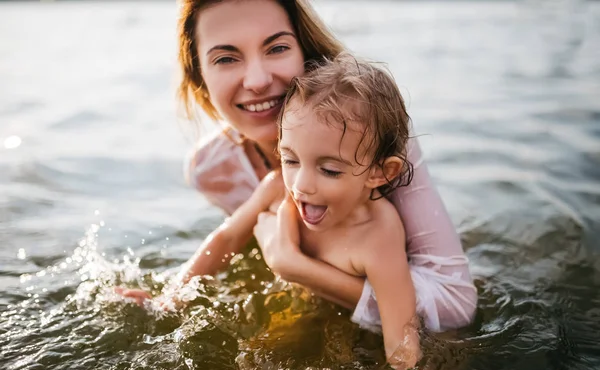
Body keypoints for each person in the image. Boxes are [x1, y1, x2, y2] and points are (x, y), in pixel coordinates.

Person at [119, 0, 477, 335]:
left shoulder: (372, 138)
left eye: (276, 48)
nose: (257, 80)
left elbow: (457, 305)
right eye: (227, 58)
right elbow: (232, 238)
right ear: (200, 76)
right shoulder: (214, 170)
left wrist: (294, 266)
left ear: (306, 52)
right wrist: (166, 300)